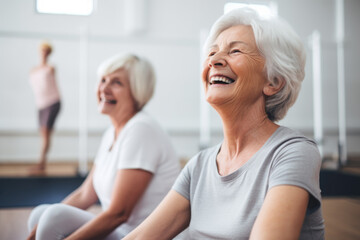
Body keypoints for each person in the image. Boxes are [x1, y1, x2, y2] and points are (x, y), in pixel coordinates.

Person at [124, 8, 325, 240]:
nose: (214, 61)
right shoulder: (199, 165)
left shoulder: (293, 152)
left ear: (273, 82)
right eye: (211, 53)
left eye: (235, 51)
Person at [26, 54, 180, 240]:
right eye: (103, 80)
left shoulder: (141, 130)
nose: (104, 88)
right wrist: (39, 226)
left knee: (52, 217)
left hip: (139, 235)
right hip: (121, 230)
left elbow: (119, 213)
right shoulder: (113, 131)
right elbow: (85, 194)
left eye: (116, 83)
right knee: (41, 215)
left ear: (137, 92)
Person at [29, 41, 61, 174]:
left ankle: (41, 163)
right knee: (43, 133)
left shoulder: (50, 68)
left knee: (46, 132)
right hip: (41, 104)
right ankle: (41, 163)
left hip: (52, 102)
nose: (44, 53)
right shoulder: (33, 70)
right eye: (42, 50)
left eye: (47, 51)